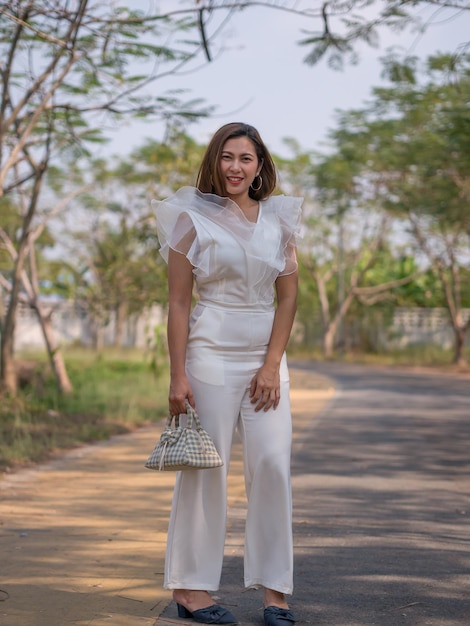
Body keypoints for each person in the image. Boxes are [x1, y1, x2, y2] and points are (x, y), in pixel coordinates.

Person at [153, 122, 302, 626]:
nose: (236, 167)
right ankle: (191, 591)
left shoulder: (280, 221)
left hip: (266, 358)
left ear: (260, 167)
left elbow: (288, 297)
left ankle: (275, 594)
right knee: (205, 471)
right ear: (215, 161)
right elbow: (177, 303)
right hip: (210, 354)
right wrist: (178, 376)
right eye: (228, 157)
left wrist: (271, 364)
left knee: (273, 466)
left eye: (247, 158)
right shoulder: (189, 220)